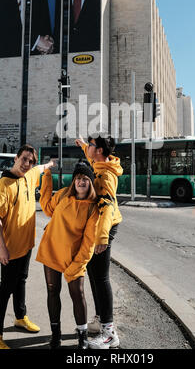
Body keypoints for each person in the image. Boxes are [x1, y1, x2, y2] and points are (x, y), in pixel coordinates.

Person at [0, 144, 55, 350]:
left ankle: (20, 317)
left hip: (26, 245)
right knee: (5, 289)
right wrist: (2, 248)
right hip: (10, 248)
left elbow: (41, 168)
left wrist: (50, 165)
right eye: (24, 159)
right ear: (16, 158)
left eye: (31, 161)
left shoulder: (30, 174)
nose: (27, 164)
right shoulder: (4, 185)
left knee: (21, 281)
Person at [36, 160, 99, 349]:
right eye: (78, 178)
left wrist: (77, 264)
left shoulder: (93, 207)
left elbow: (89, 242)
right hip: (52, 250)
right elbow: (47, 208)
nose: (81, 182)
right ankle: (56, 335)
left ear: (90, 183)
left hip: (74, 257)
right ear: (74, 181)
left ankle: (83, 336)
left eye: (85, 179)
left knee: (77, 293)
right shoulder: (64, 194)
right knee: (52, 291)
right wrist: (46, 176)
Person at [75, 135, 123, 349]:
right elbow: (89, 151)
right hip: (97, 227)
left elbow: (108, 207)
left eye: (93, 146)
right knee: (94, 275)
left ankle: (109, 332)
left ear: (101, 151)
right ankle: (101, 319)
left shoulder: (105, 175)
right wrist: (83, 144)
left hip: (105, 227)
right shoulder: (98, 161)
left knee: (101, 278)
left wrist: (102, 237)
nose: (90, 149)